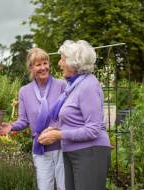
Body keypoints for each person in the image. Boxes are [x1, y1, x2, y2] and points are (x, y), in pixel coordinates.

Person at [38, 40, 111, 190]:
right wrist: (55, 130)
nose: (59, 63)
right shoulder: (73, 86)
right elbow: (74, 121)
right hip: (74, 152)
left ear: (74, 63)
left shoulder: (88, 86)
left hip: (90, 152)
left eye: (63, 59)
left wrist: (59, 135)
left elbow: (92, 130)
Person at [0, 47, 66, 190]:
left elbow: (67, 115)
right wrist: (11, 126)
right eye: (38, 64)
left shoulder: (61, 85)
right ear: (31, 68)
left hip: (62, 146)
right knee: (44, 187)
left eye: (45, 63)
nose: (43, 67)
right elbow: (23, 120)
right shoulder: (24, 91)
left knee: (64, 187)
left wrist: (52, 131)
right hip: (41, 149)